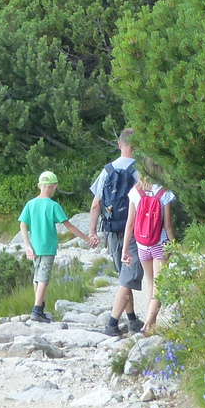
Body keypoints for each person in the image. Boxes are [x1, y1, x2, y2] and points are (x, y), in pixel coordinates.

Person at [86, 129, 143, 336]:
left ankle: (133, 320)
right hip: (134, 231)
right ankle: (112, 323)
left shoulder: (107, 171)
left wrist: (93, 232)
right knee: (127, 279)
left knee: (123, 276)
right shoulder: (139, 171)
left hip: (111, 230)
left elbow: (95, 204)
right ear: (136, 147)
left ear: (120, 145)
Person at [18, 170, 81, 323]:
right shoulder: (53, 206)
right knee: (44, 278)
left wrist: (27, 245)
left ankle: (39, 306)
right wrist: (86, 238)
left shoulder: (30, 204)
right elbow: (69, 225)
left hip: (34, 246)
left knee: (37, 277)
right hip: (48, 247)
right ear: (54, 186)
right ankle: (37, 310)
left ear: (40, 185)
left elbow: (22, 224)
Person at [121, 165, 176, 335]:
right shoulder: (164, 193)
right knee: (160, 285)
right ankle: (147, 326)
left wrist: (125, 249)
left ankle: (152, 325)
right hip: (160, 244)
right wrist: (175, 246)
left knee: (151, 283)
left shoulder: (135, 191)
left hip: (142, 244)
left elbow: (130, 223)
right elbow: (167, 225)